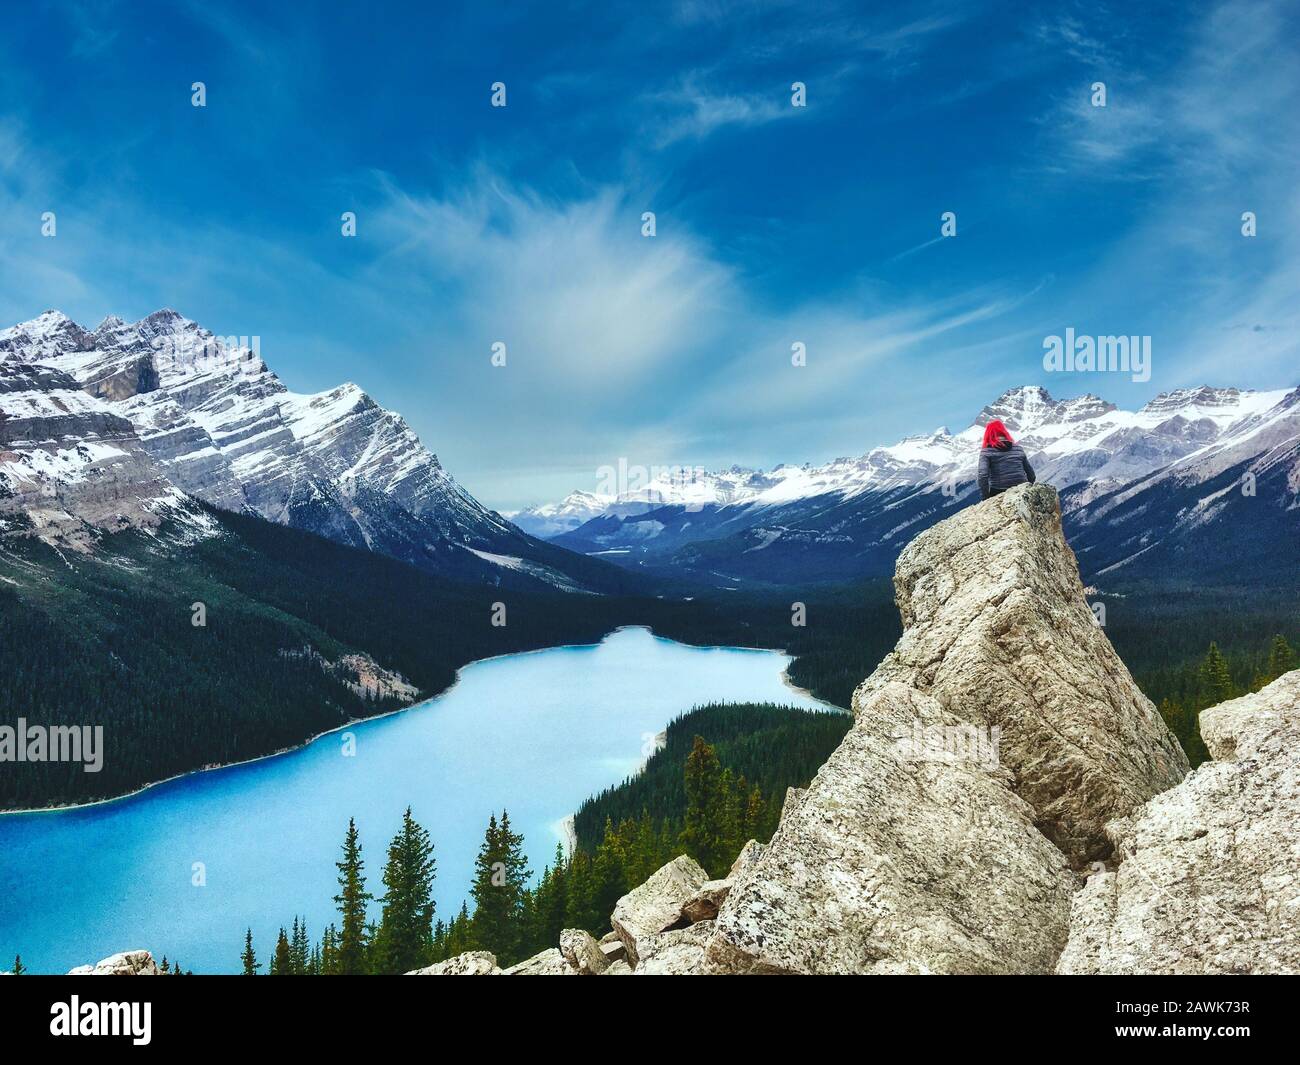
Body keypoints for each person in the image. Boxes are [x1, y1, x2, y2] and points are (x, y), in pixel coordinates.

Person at [977, 418, 1035, 500]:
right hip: (1022, 489)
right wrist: (1028, 487)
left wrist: (986, 497)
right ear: (1004, 432)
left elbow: (982, 475)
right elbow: (1031, 474)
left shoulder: (986, 451)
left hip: (999, 491)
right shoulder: (1018, 449)